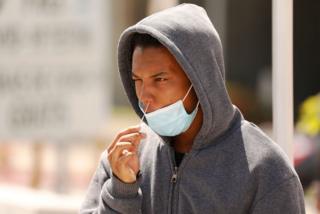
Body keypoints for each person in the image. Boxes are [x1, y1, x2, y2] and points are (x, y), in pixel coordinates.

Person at [80, 4, 305, 213]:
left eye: (160, 79)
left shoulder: (267, 171)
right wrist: (121, 192)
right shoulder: (123, 159)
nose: (144, 95)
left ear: (201, 80)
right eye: (137, 80)